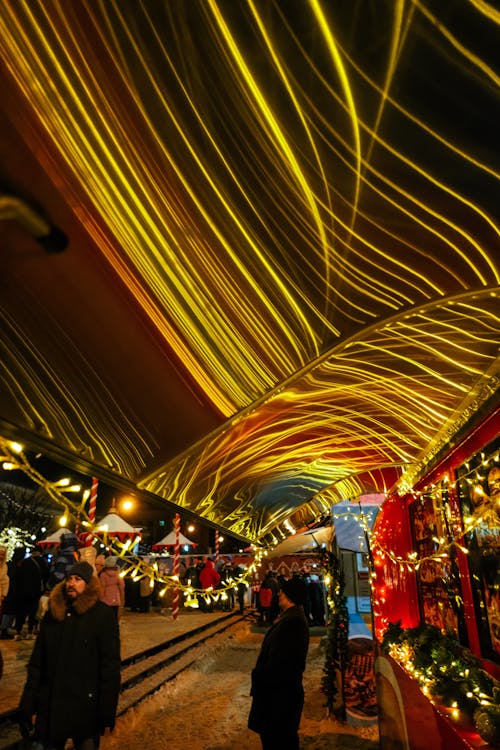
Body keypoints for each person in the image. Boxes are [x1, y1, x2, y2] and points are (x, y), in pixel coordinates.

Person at [18, 561, 121, 750]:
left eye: (78, 579)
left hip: (85, 707)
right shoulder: (54, 615)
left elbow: (110, 667)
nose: (71, 583)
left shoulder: (102, 616)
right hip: (52, 706)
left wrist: (106, 711)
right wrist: (28, 703)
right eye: (69, 578)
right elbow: (37, 663)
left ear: (89, 584)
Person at [248, 577, 310, 750]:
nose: (279, 594)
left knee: (278, 741)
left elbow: (281, 665)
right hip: (279, 698)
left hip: (278, 701)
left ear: (290, 596)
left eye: (282, 592)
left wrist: (259, 676)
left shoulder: (292, 623)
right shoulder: (290, 619)